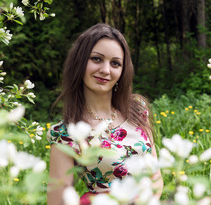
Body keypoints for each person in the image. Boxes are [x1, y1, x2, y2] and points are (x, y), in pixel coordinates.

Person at [47, 23, 163, 205]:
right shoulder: (66, 134)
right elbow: (58, 200)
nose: (106, 70)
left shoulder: (137, 109)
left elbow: (155, 176)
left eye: (115, 63)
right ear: (80, 61)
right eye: (97, 59)